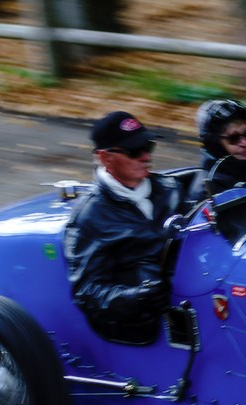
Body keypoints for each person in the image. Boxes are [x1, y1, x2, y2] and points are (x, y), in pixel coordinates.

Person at [63, 110, 182, 345]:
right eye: (135, 151)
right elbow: (87, 292)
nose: (146, 156)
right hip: (148, 321)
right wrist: (136, 297)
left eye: (149, 146)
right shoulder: (90, 217)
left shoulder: (171, 188)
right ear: (106, 158)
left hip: (190, 294)